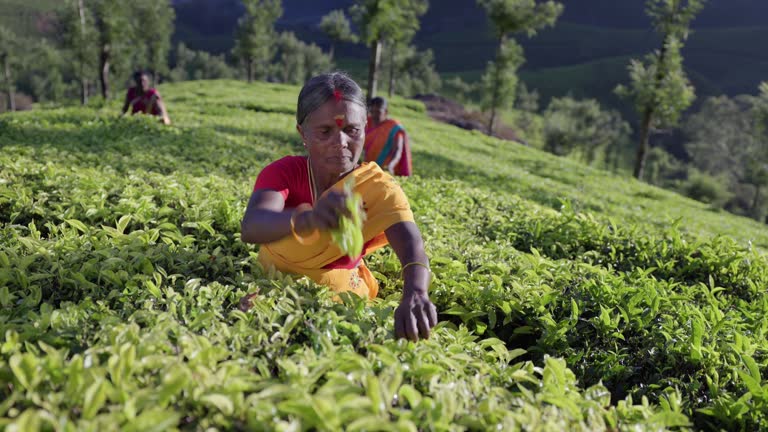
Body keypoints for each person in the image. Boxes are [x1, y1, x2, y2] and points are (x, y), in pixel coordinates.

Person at [240, 72, 437, 341]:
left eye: (351, 130)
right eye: (325, 131)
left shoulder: (378, 187)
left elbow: (412, 244)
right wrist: (308, 220)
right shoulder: (285, 172)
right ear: (303, 134)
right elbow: (253, 226)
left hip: (340, 301)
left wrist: (416, 292)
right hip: (271, 286)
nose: (341, 143)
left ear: (365, 130)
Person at [364, 96, 412, 177]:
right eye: (372, 112)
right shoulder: (366, 123)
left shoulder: (394, 128)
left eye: (378, 112)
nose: (374, 115)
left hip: (387, 171)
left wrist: (391, 165)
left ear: (385, 112)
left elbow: (398, 150)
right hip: (368, 169)